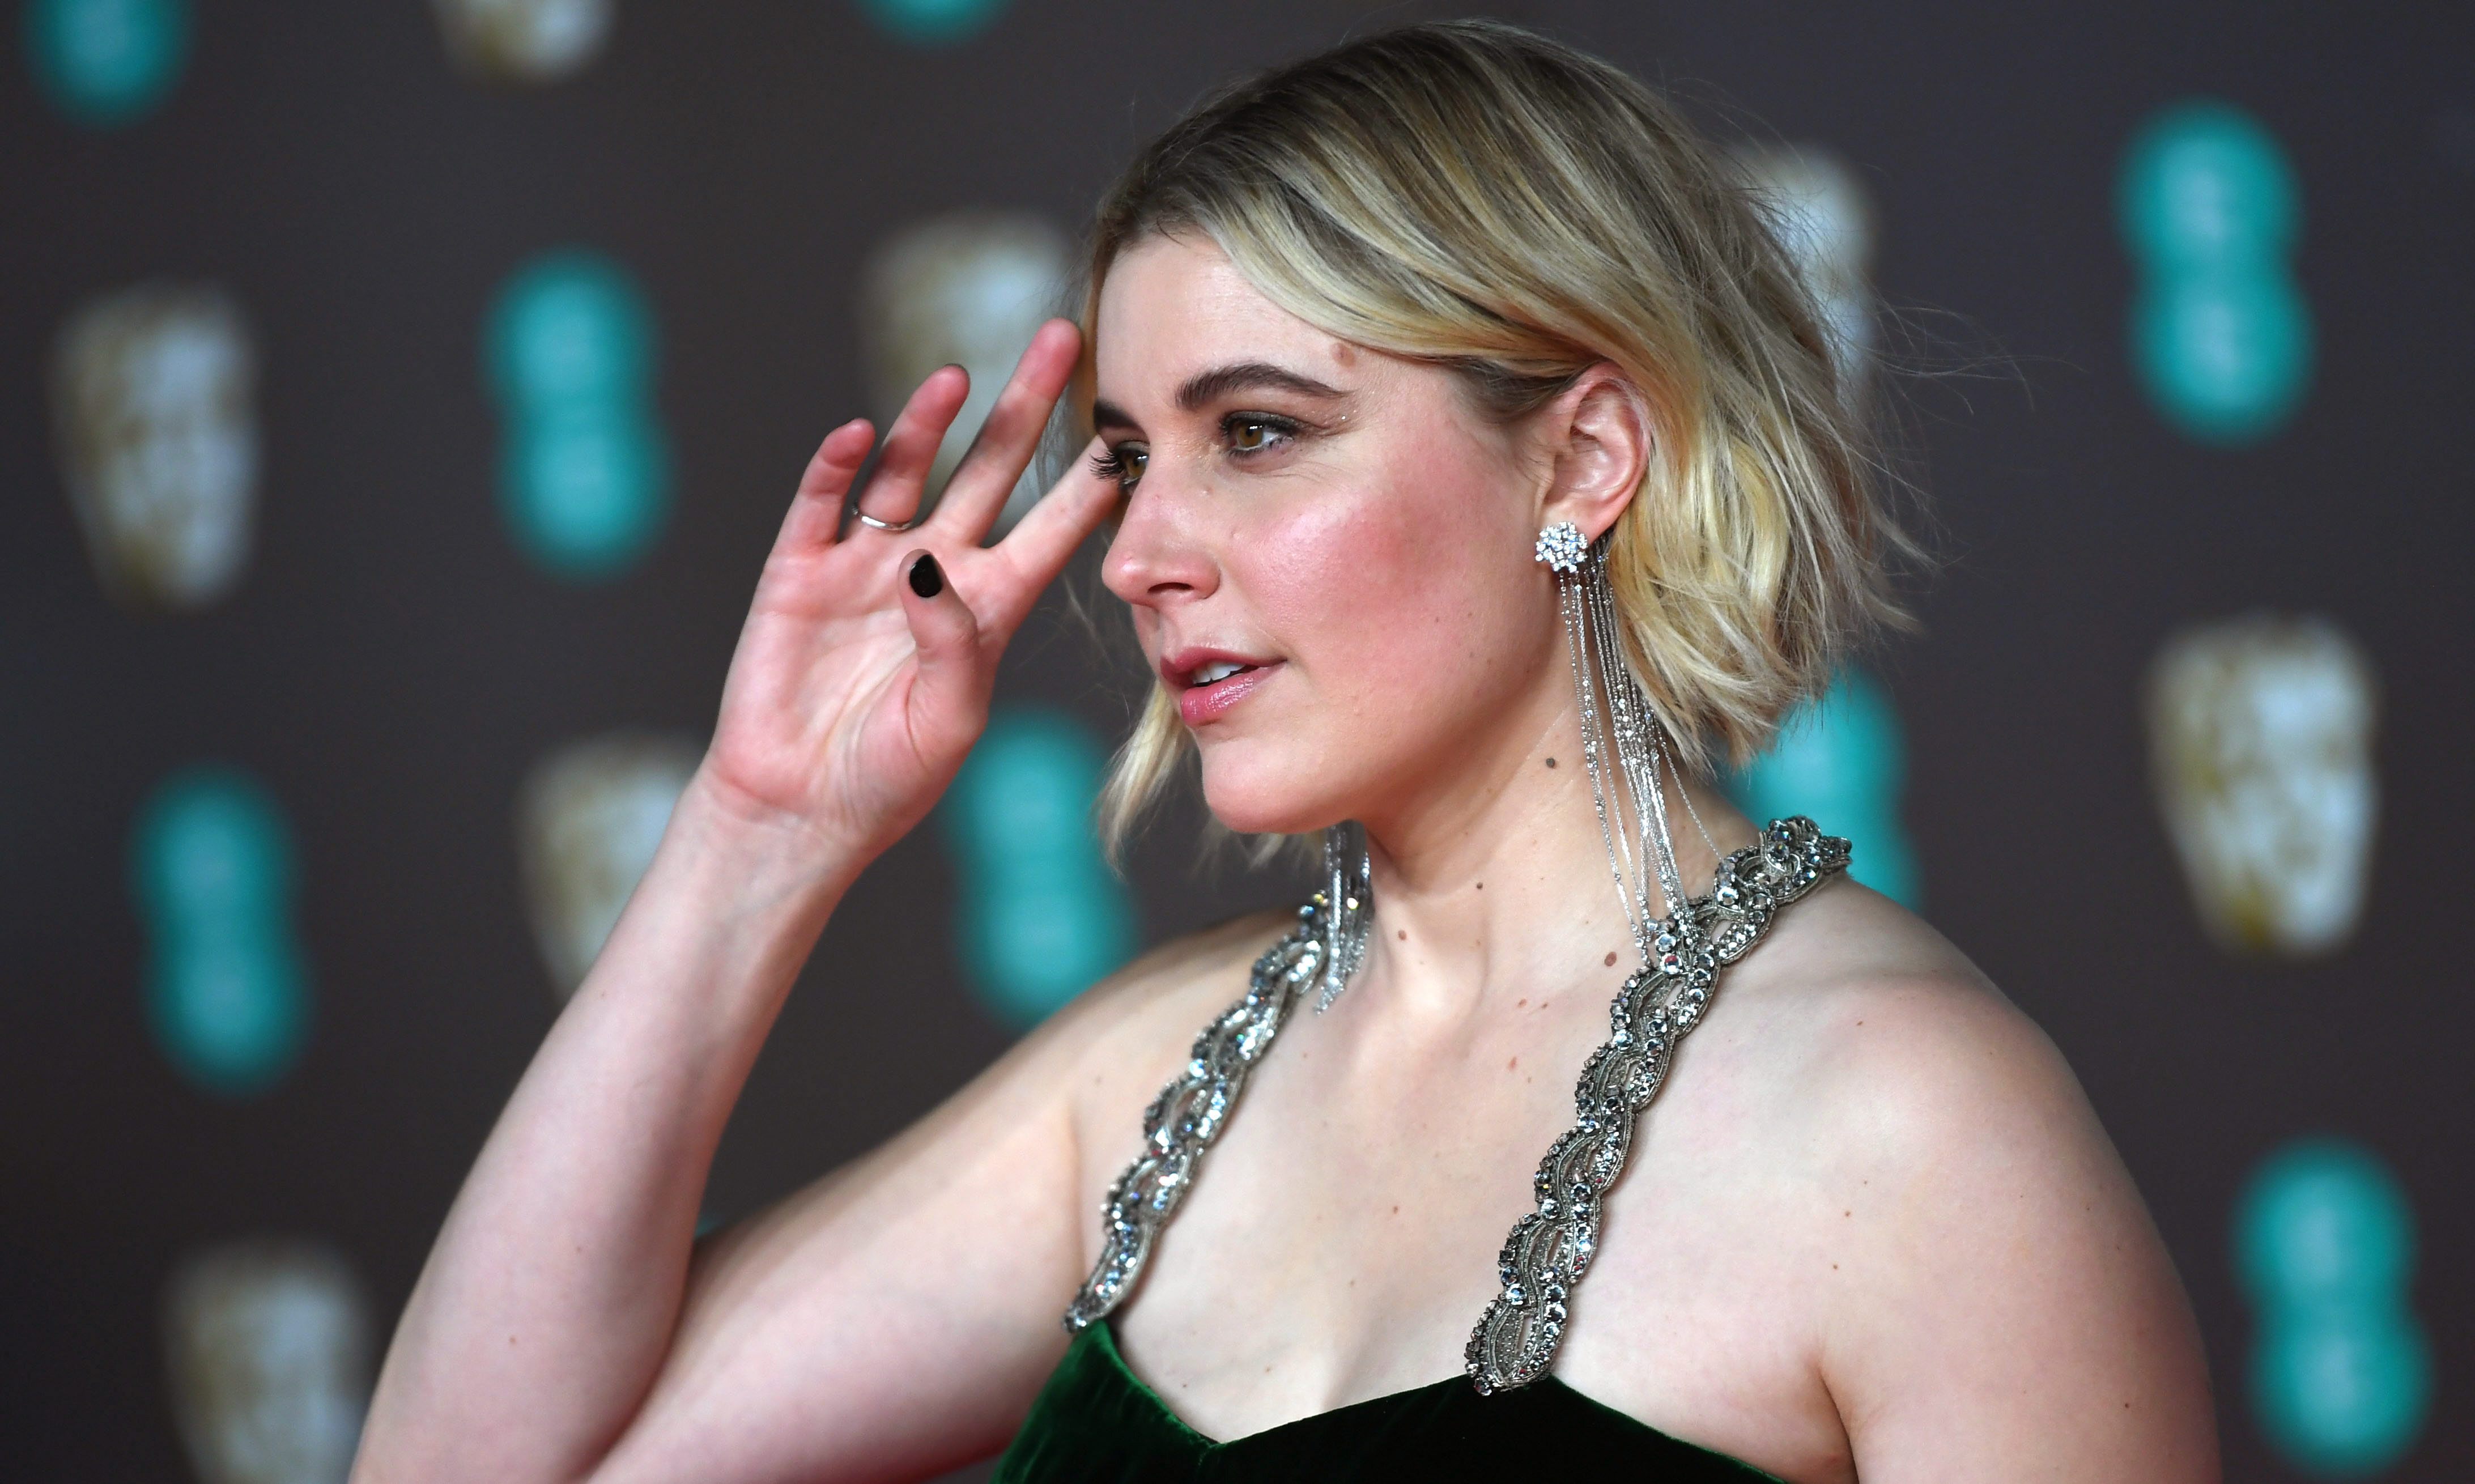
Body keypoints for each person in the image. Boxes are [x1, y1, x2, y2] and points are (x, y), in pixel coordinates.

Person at [354, 22, 2218, 1484]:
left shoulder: (1916, 1137)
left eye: (1256, 432)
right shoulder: (1141, 1086)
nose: (1148, 551)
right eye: (1132, 454)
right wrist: (763, 829)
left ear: (1580, 460)